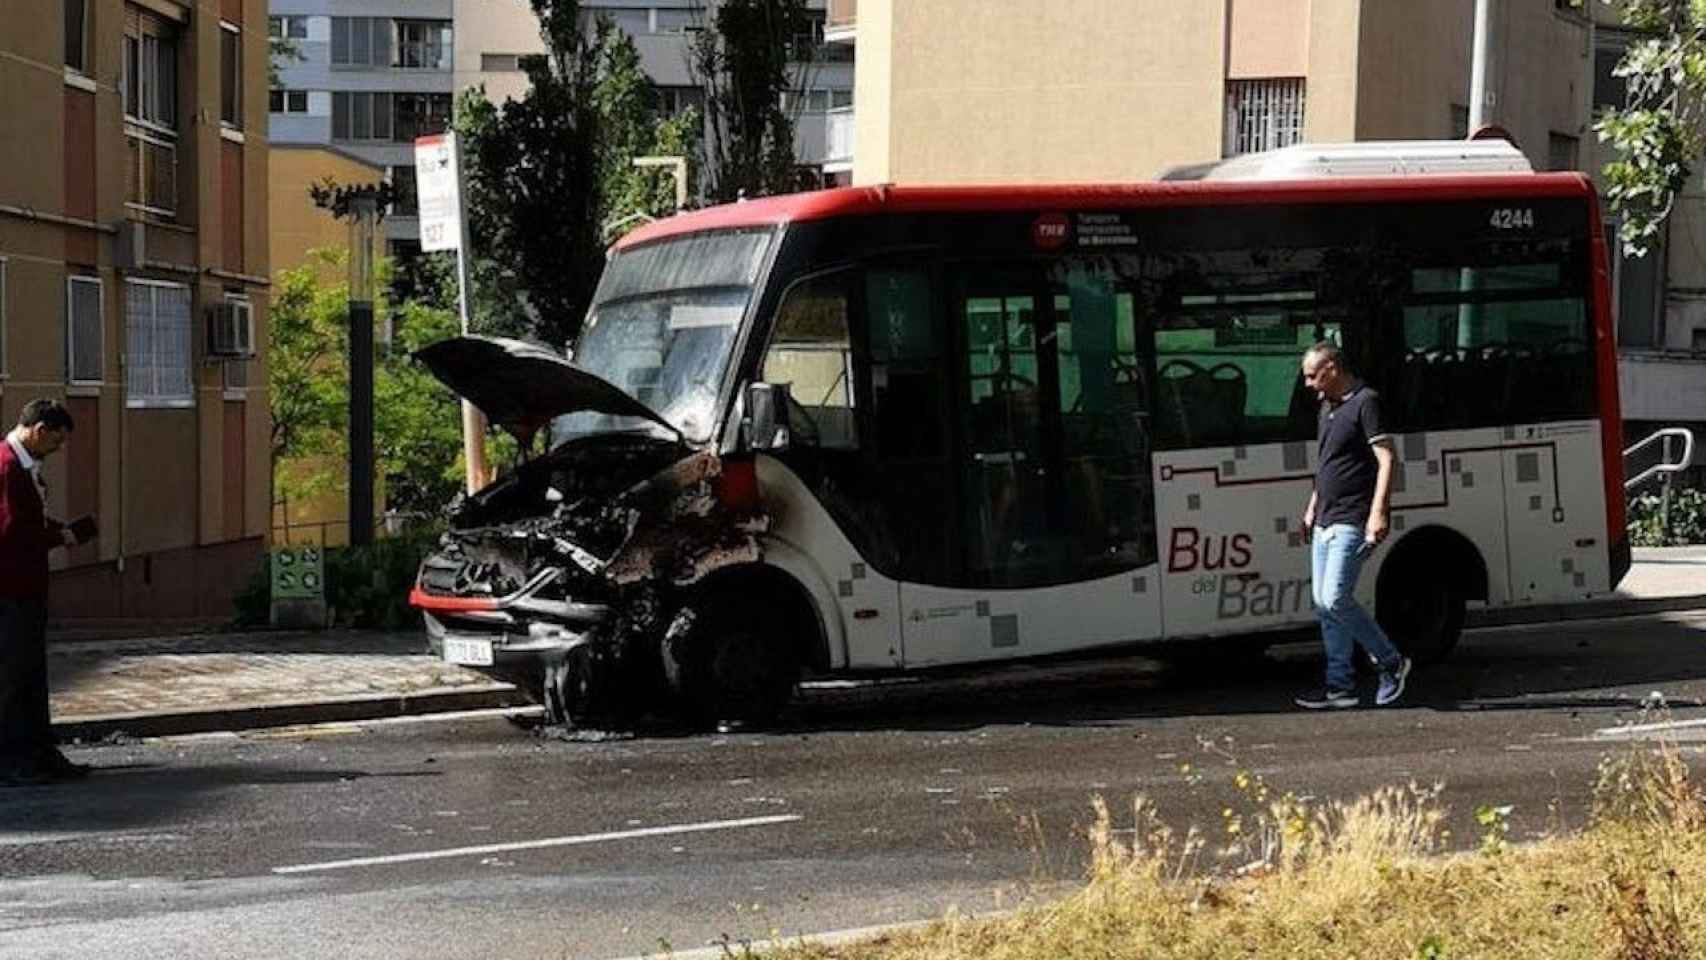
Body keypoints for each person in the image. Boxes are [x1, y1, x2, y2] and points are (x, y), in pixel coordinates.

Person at [1293, 343, 1412, 710]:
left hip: (1353, 517)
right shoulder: (1328, 408)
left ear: (1331, 367)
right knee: (1324, 605)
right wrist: (1313, 506)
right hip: (1327, 517)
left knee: (1335, 598)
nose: (1309, 384)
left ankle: (1392, 662)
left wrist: (1379, 512)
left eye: (1313, 375)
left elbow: (1387, 458)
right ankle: (1339, 687)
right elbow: (1328, 464)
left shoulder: (1366, 402)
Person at [0, 399, 91, 784]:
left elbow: (28, 519)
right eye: (56, 441)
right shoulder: (7, 468)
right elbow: (11, 532)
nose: (58, 449)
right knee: (13, 678)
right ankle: (12, 761)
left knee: (33, 675)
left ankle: (41, 752)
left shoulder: (23, 466)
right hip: (10, 588)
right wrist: (60, 536)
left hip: (28, 586)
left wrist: (58, 529)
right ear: (38, 431)